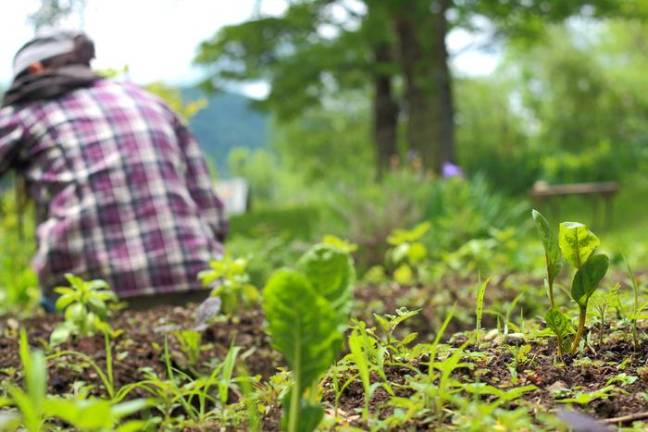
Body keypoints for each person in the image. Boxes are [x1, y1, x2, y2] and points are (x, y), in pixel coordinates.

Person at [0, 31, 227, 308]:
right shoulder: (148, 101)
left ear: (35, 69)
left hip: (92, 294)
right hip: (195, 277)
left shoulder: (27, 113)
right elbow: (210, 209)